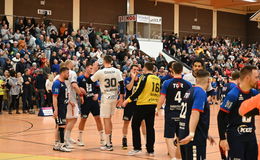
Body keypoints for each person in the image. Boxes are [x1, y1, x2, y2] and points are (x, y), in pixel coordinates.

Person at [218, 65, 259, 160]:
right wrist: (222, 139)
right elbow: (221, 116)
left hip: (251, 137)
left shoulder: (255, 94)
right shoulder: (233, 95)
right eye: (256, 77)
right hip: (236, 138)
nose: (258, 79)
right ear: (248, 78)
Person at [123, 62, 161, 156]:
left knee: (135, 125)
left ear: (145, 68)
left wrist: (128, 100)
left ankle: (137, 148)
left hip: (143, 104)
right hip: (152, 104)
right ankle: (150, 150)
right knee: (150, 127)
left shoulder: (144, 77)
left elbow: (139, 90)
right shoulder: (157, 78)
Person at [156, 62, 192, 160]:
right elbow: (190, 99)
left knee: (169, 136)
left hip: (170, 113)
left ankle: (173, 158)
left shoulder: (167, 83)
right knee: (180, 137)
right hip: (183, 114)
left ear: (172, 70)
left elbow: (162, 98)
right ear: (182, 70)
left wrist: (157, 108)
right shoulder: (188, 84)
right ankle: (179, 157)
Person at [90, 55, 125, 151]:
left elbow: (90, 80)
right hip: (114, 97)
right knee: (109, 119)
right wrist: (121, 98)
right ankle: (109, 141)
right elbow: (122, 85)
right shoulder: (117, 71)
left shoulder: (100, 72)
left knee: (106, 120)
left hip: (106, 97)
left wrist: (93, 70)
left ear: (104, 61)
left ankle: (108, 144)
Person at [178, 70, 212, 160]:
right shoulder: (200, 92)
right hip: (194, 138)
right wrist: (192, 133)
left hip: (184, 134)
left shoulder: (189, 91)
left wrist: (206, 134)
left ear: (196, 80)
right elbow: (195, 112)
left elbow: (186, 114)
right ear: (209, 81)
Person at [77, 61, 104, 146]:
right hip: (85, 102)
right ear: (86, 68)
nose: (91, 70)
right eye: (90, 68)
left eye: (92, 68)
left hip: (94, 102)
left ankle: (102, 138)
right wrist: (80, 91)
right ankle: (79, 138)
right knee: (83, 119)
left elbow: (98, 89)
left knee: (98, 118)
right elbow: (76, 88)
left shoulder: (94, 77)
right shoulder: (80, 78)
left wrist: (97, 95)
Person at [122, 64, 146, 149]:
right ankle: (124, 139)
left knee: (143, 123)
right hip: (129, 104)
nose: (135, 71)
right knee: (126, 122)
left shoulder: (140, 79)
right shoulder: (127, 79)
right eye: (134, 69)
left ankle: (146, 141)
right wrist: (133, 78)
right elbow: (129, 88)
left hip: (138, 104)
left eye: (137, 70)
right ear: (131, 70)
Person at [52, 67, 71, 152]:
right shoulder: (57, 83)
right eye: (67, 73)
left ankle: (57, 144)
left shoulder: (64, 83)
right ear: (62, 73)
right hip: (59, 108)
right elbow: (54, 97)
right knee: (61, 126)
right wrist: (56, 110)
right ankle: (62, 145)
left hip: (64, 107)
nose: (68, 75)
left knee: (60, 125)